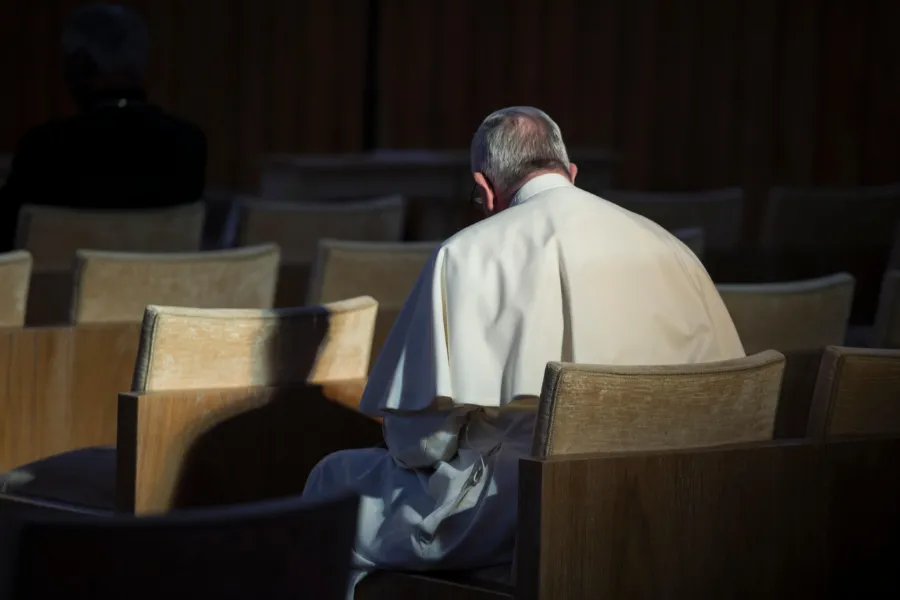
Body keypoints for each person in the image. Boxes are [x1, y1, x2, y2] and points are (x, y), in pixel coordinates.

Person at [301, 106, 746, 595]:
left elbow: (418, 445)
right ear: (570, 173)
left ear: (484, 189)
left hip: (529, 508)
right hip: (678, 501)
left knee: (332, 483)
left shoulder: (467, 253)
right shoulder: (672, 249)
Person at [0, 3, 206, 251]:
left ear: (82, 64)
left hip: (54, 291)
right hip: (159, 289)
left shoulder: (45, 148)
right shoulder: (189, 145)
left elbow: (6, 242)